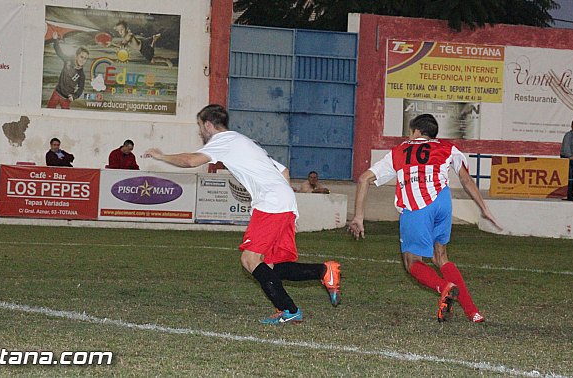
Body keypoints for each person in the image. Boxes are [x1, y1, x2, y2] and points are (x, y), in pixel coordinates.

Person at [145, 104, 341, 325]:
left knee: (249, 260)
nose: (200, 132)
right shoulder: (244, 142)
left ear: (208, 125)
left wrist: (162, 156)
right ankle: (322, 272)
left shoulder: (223, 141)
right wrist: (286, 207)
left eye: (200, 127)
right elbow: (284, 170)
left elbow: (190, 161)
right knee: (272, 265)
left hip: (272, 203)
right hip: (283, 202)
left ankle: (292, 307)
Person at [348, 113, 501, 323]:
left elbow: (364, 179)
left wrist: (358, 217)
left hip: (417, 205)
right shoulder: (448, 148)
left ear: (416, 131)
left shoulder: (400, 150)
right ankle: (473, 312)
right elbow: (465, 179)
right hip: (442, 201)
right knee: (441, 257)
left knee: (412, 262)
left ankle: (444, 288)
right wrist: (483, 207)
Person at [47, 32, 89, 109]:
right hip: (56, 93)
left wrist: (74, 96)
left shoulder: (81, 75)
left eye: (85, 58)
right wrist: (55, 40)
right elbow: (59, 52)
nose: (83, 60)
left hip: (66, 99)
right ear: (76, 56)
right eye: (81, 57)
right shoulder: (68, 60)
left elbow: (81, 88)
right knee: (49, 110)